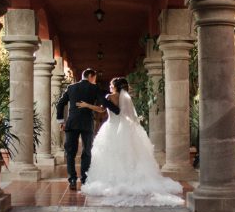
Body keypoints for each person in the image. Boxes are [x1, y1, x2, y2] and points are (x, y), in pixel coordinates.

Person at [78, 77, 183, 205]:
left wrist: (87, 105)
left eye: (111, 85)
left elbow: (101, 110)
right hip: (125, 127)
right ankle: (131, 178)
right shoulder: (127, 98)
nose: (110, 86)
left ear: (115, 86)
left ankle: (112, 181)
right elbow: (130, 116)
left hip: (111, 127)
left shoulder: (109, 97)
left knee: (111, 155)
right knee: (129, 155)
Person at [55, 67, 104, 190]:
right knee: (86, 152)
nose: (94, 80)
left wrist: (61, 121)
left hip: (72, 123)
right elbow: (101, 106)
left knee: (70, 153)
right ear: (91, 76)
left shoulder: (71, 88)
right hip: (87, 123)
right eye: (95, 78)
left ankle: (72, 179)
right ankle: (84, 179)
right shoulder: (94, 88)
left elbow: (60, 103)